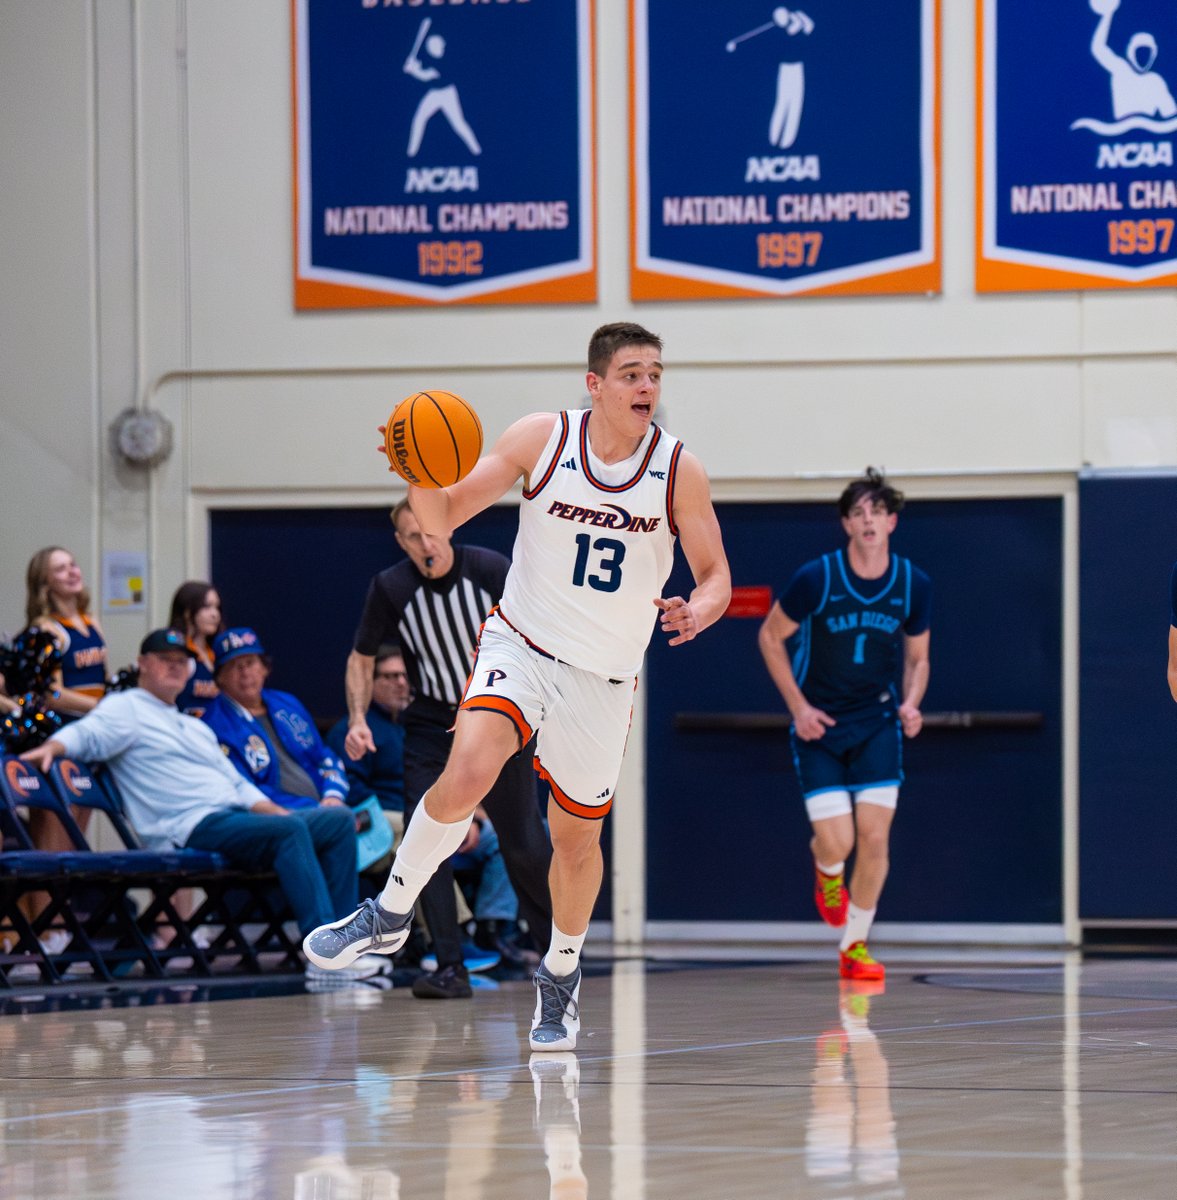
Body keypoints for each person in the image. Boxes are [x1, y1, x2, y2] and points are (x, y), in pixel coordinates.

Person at [305, 321, 732, 1051]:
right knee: (468, 768)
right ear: (595, 384)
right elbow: (442, 515)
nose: (647, 387)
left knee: (574, 841)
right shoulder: (542, 438)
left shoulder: (677, 469)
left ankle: (560, 972)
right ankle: (390, 911)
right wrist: (416, 469)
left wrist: (701, 608)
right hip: (523, 643)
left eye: (655, 374)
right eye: (632, 374)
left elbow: (716, 573)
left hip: (603, 677)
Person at [19, 629, 388, 982]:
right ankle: (324, 956)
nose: (175, 666)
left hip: (233, 819)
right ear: (142, 663)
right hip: (187, 825)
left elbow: (239, 786)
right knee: (290, 829)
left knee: (337, 819)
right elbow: (86, 733)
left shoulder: (193, 725)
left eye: (182, 661)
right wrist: (53, 747)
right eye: (165, 659)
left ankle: (347, 944)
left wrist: (277, 812)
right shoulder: (126, 707)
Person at [328, 499, 554, 1001]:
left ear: (449, 527)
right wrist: (358, 719)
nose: (425, 544)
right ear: (401, 543)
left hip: (498, 717)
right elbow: (361, 656)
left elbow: (538, 635)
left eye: (431, 531)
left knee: (522, 839)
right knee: (423, 838)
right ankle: (450, 966)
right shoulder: (391, 587)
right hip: (432, 724)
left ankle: (557, 961)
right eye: (413, 537)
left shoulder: (490, 569)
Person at [757, 468, 931, 983]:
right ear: (847, 524)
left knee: (875, 840)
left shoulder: (912, 584)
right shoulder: (817, 578)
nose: (868, 520)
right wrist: (799, 709)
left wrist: (912, 703)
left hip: (877, 721)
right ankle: (826, 867)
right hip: (821, 726)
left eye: (877, 511)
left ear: (892, 521)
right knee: (838, 842)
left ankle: (854, 945)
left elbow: (918, 659)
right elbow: (770, 637)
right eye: (858, 512)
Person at [201, 628, 350, 811]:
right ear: (220, 677)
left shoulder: (287, 703)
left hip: (326, 806)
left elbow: (323, 755)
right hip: (277, 817)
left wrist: (333, 795)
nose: (245, 672)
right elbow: (242, 787)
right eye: (234, 666)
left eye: (250, 662)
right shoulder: (213, 725)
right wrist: (312, 808)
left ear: (265, 668)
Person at [24, 546, 108, 718]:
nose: (72, 572)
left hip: (97, 720)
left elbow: (102, 676)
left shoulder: (91, 620)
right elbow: (52, 695)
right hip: (67, 722)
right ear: (44, 582)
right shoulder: (46, 628)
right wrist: (101, 706)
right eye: (60, 569)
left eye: (73, 565)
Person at [326, 646, 409, 819]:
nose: (401, 683)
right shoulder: (351, 730)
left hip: (422, 813)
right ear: (369, 681)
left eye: (405, 676)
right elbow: (351, 786)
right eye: (391, 676)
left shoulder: (413, 725)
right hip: (383, 816)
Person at [168, 580, 223, 717]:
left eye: (217, 607)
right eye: (207, 607)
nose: (215, 614)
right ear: (187, 611)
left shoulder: (219, 651)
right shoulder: (174, 652)